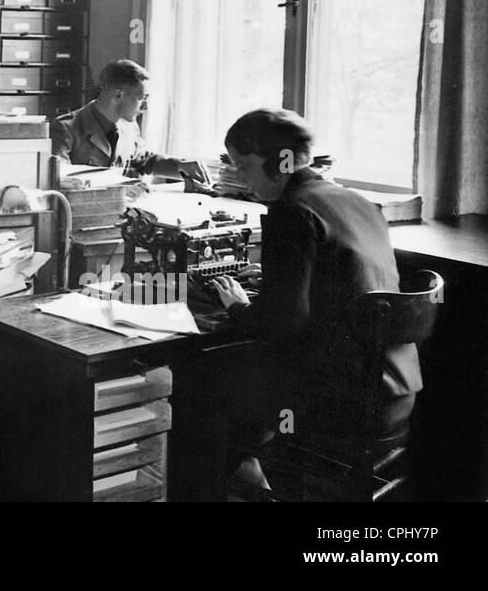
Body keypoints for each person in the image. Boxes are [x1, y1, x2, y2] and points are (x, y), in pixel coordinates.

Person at [193, 108, 422, 497]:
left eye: (244, 166)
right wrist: (280, 284)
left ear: (281, 162)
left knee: (203, 379)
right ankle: (256, 477)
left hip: (336, 407)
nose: (242, 180)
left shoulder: (291, 211)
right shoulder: (355, 200)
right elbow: (344, 284)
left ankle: (237, 487)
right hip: (393, 392)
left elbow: (281, 324)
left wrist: (237, 305)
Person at [52, 59, 209, 184]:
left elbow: (145, 161)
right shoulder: (65, 129)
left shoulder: (129, 127)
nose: (145, 107)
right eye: (142, 99)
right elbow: (60, 181)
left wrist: (181, 165)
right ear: (118, 95)